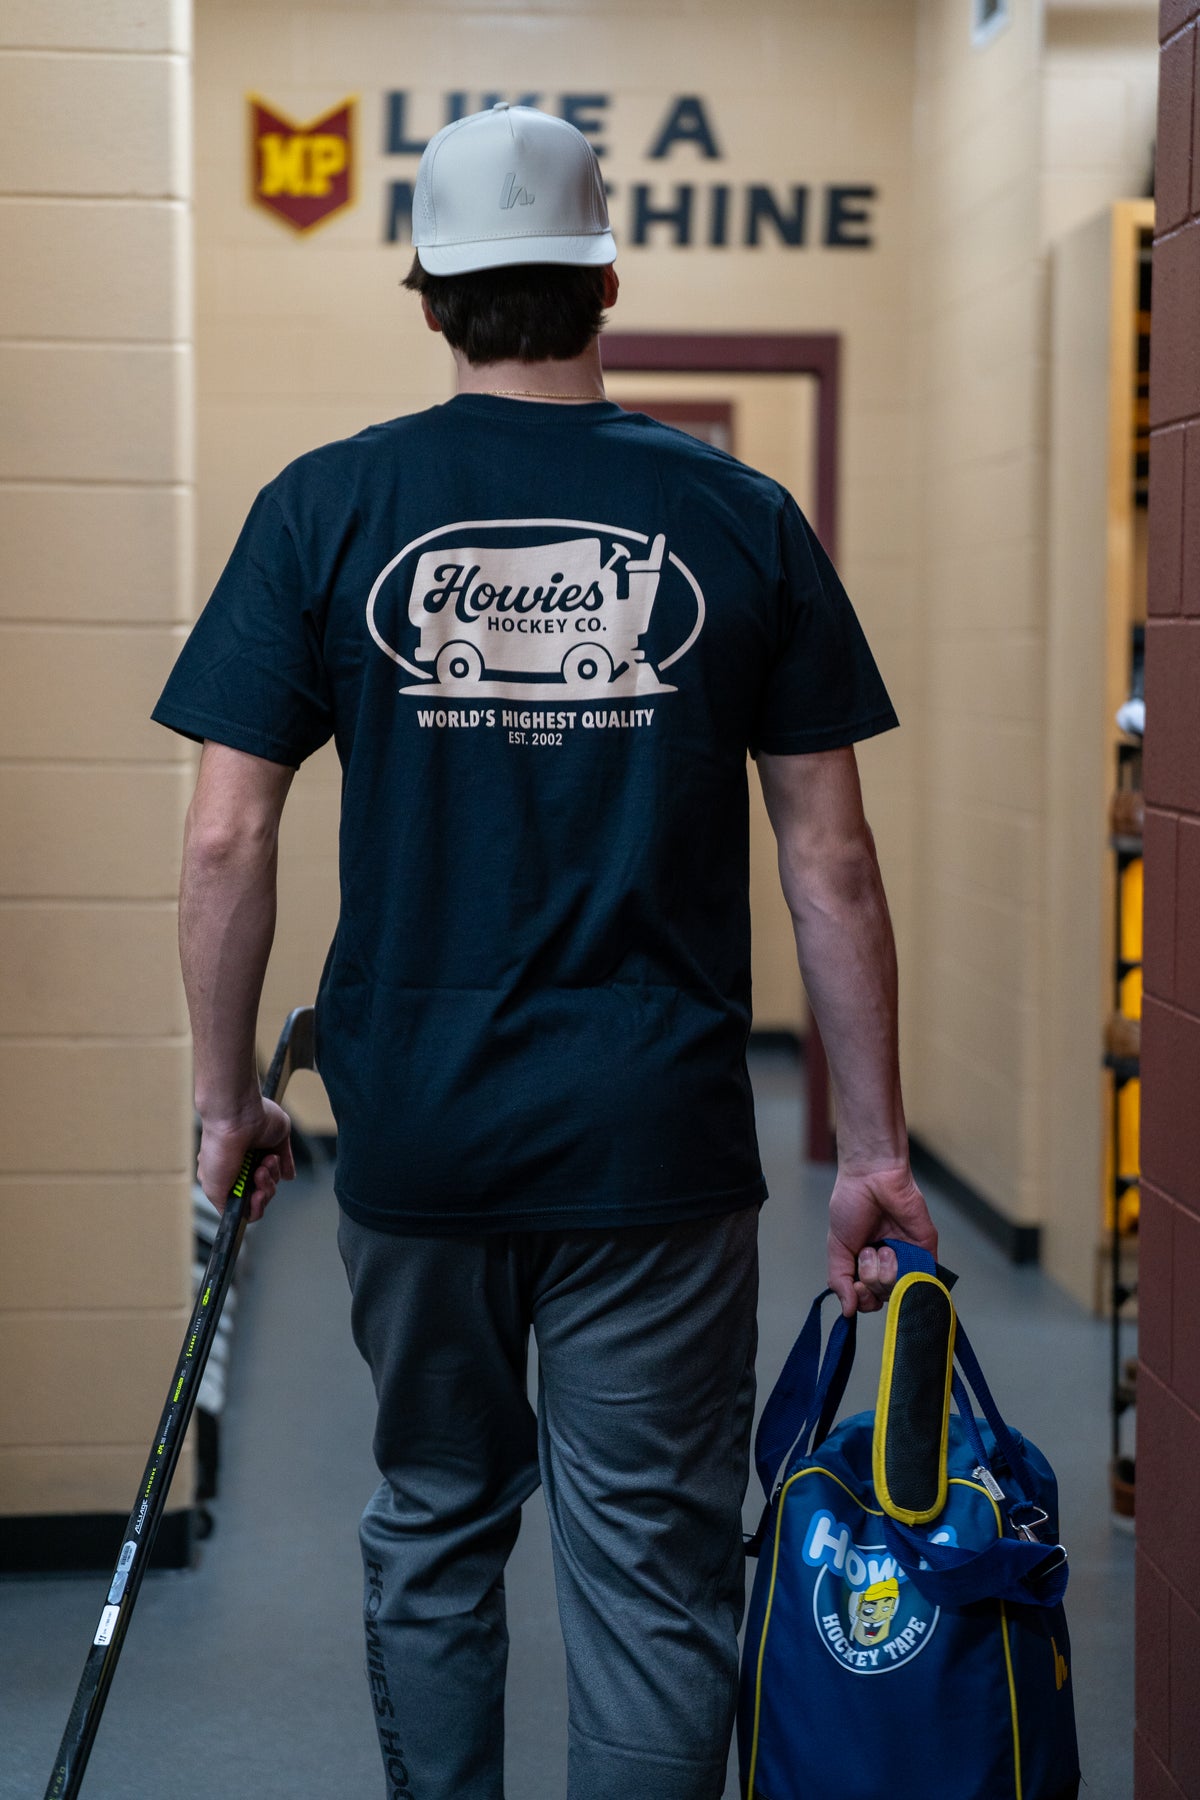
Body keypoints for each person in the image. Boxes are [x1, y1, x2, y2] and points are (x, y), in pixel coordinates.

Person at [154, 102, 936, 1800]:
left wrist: (227, 1105)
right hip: (655, 1140)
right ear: (607, 280)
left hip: (417, 1133)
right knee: (653, 1567)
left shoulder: (325, 508)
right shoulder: (740, 516)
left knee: (435, 1517)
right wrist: (871, 1146)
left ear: (427, 292)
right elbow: (833, 859)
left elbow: (226, 835)